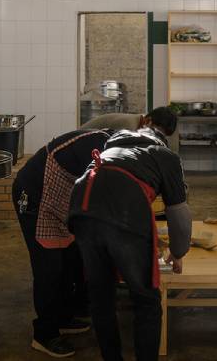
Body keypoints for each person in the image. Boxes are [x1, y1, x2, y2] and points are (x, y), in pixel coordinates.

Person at [12, 108, 179, 359]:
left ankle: (65, 316)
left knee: (72, 258)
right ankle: (44, 333)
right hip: (39, 188)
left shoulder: (129, 145)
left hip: (71, 191)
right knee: (49, 266)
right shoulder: (115, 146)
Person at [68, 123, 190, 361]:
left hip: (81, 209)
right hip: (122, 211)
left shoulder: (109, 149)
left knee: (101, 296)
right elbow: (179, 212)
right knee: (146, 300)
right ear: (159, 140)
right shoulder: (165, 155)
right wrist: (178, 251)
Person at [81, 109, 174, 136]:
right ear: (148, 121)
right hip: (76, 146)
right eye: (156, 133)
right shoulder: (129, 126)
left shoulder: (142, 121)